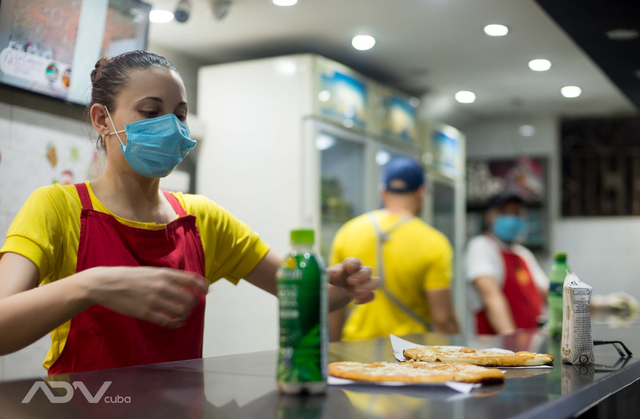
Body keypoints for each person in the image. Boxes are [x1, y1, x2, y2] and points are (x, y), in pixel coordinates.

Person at [0, 51, 378, 374]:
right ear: (102, 120)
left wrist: (337, 286)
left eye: (179, 115)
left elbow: (304, 293)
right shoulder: (58, 207)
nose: (170, 127)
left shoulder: (202, 219)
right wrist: (93, 284)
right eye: (151, 111)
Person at [329, 158, 459, 341]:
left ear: (383, 192)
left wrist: (334, 353)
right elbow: (443, 319)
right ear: (421, 192)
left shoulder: (348, 231)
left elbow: (334, 307)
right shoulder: (434, 242)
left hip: (355, 352)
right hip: (410, 356)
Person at [466, 193, 549, 335]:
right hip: (497, 350)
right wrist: (511, 340)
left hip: (530, 347)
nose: (512, 218)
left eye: (517, 213)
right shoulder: (481, 247)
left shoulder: (523, 254)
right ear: (490, 216)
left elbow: (546, 292)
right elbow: (491, 298)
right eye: (505, 212)